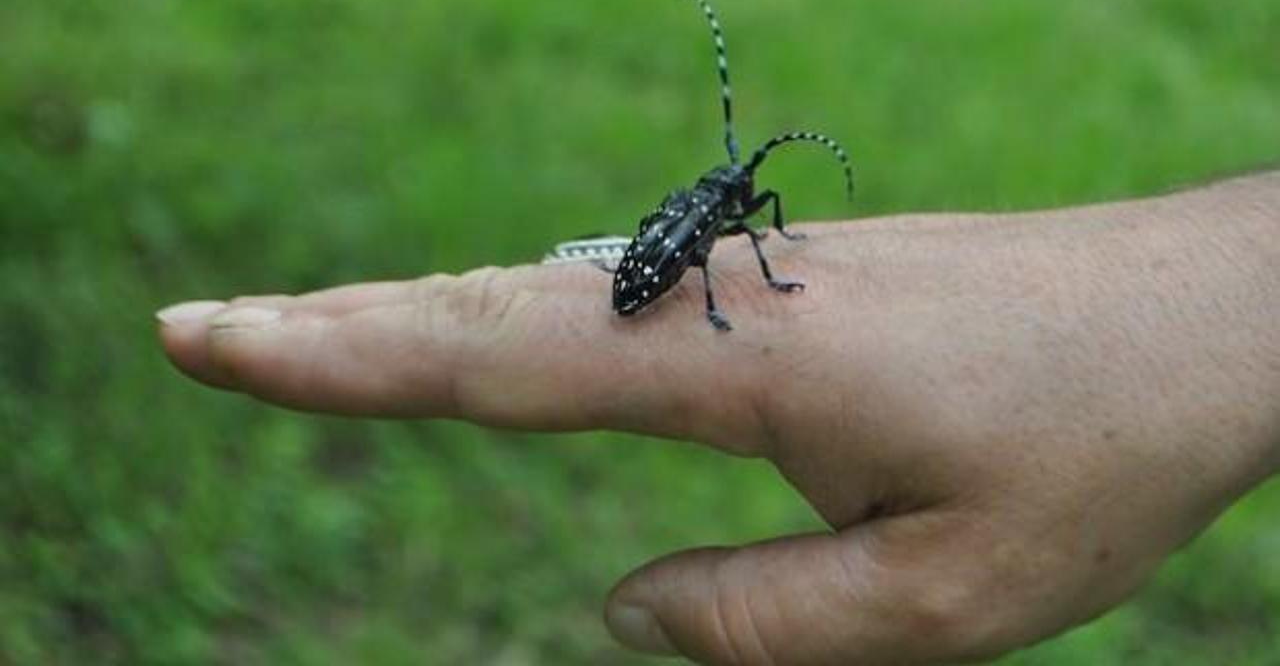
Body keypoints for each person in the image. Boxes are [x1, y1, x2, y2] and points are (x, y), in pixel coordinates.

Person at [156, 171, 1279, 665]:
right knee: (692, 260)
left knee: (708, 259)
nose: (745, 206)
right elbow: (695, 248)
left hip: (655, 265)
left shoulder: (726, 216)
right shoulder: (705, 224)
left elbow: (728, 236)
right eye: (742, 200)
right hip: (646, 275)